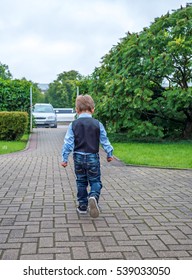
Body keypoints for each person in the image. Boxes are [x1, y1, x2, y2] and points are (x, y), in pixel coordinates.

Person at [61, 94, 113, 218]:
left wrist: (64, 158)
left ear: (77, 110)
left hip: (78, 157)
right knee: (95, 180)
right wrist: (109, 153)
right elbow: (104, 140)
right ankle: (93, 196)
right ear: (93, 109)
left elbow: (68, 143)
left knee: (81, 181)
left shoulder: (73, 125)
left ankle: (82, 206)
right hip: (92, 156)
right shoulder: (97, 124)